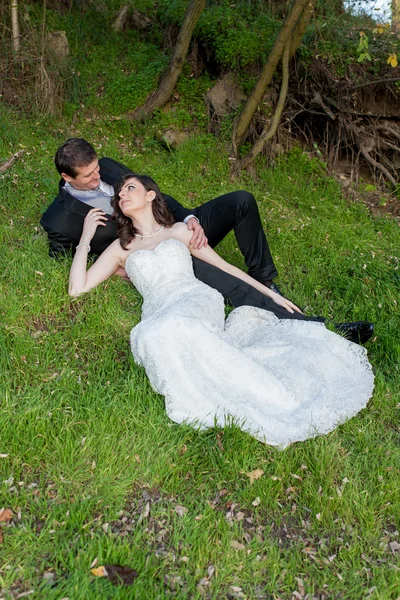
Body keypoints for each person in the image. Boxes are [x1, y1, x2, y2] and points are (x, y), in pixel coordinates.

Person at [68, 173, 374, 448]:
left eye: (130, 188)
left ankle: (274, 379)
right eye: (119, 193)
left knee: (170, 329)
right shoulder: (122, 248)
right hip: (160, 309)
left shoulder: (179, 232)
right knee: (153, 332)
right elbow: (77, 289)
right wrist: (85, 238)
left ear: (150, 196)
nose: (122, 194)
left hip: (195, 299)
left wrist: (272, 294)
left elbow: (226, 268)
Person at [41, 138, 374, 343]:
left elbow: (156, 196)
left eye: (98, 168)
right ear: (67, 177)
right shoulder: (58, 219)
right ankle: (323, 330)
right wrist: (116, 267)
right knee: (226, 283)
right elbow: (64, 261)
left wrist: (190, 219)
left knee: (241, 200)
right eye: (89, 176)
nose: (99, 176)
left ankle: (267, 282)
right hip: (158, 257)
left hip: (178, 230)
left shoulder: (112, 169)